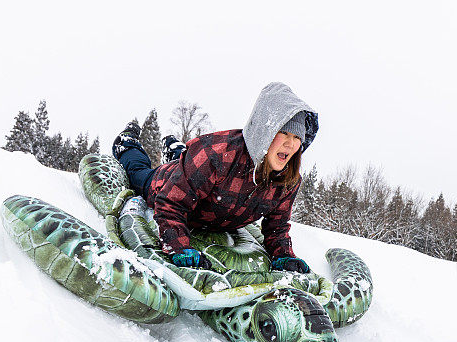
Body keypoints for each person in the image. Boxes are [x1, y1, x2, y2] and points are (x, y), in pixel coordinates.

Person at [112, 82, 318, 273]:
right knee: (138, 172)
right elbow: (171, 203)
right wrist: (178, 246)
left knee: (192, 166)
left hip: (199, 180)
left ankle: (176, 149)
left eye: (297, 137)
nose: (291, 145)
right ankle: (127, 144)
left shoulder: (288, 179)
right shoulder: (215, 154)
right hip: (167, 183)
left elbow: (277, 225)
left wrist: (282, 255)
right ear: (265, 131)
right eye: (284, 133)